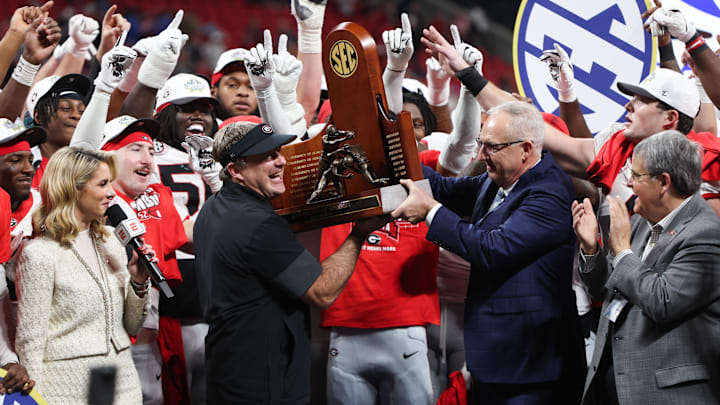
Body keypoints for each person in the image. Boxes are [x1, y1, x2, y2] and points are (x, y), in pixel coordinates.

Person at [392, 101, 585, 404]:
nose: (481, 155)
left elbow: (493, 249)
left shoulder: (549, 192)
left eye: (491, 147)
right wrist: (397, 163)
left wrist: (430, 212)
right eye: (481, 144)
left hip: (532, 366)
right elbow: (446, 189)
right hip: (497, 360)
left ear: (526, 148)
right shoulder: (499, 178)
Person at [194, 121, 389, 404]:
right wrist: (359, 234)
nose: (281, 162)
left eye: (278, 152)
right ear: (236, 170)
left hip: (228, 364)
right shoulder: (258, 223)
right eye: (266, 157)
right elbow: (323, 291)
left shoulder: (213, 207)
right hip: (263, 375)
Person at [573, 130, 720, 404]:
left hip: (668, 394)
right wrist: (591, 248)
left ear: (663, 182)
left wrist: (622, 250)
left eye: (636, 175)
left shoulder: (706, 234)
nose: (628, 182)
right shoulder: (642, 220)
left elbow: (663, 301)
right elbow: (605, 289)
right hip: (617, 381)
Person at [15, 147, 152, 404]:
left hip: (123, 382)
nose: (112, 192)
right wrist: (31, 399)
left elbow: (132, 325)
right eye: (102, 184)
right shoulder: (40, 254)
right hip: (65, 388)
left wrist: (138, 280)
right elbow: (30, 340)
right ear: (72, 189)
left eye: (110, 182)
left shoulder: (111, 242)